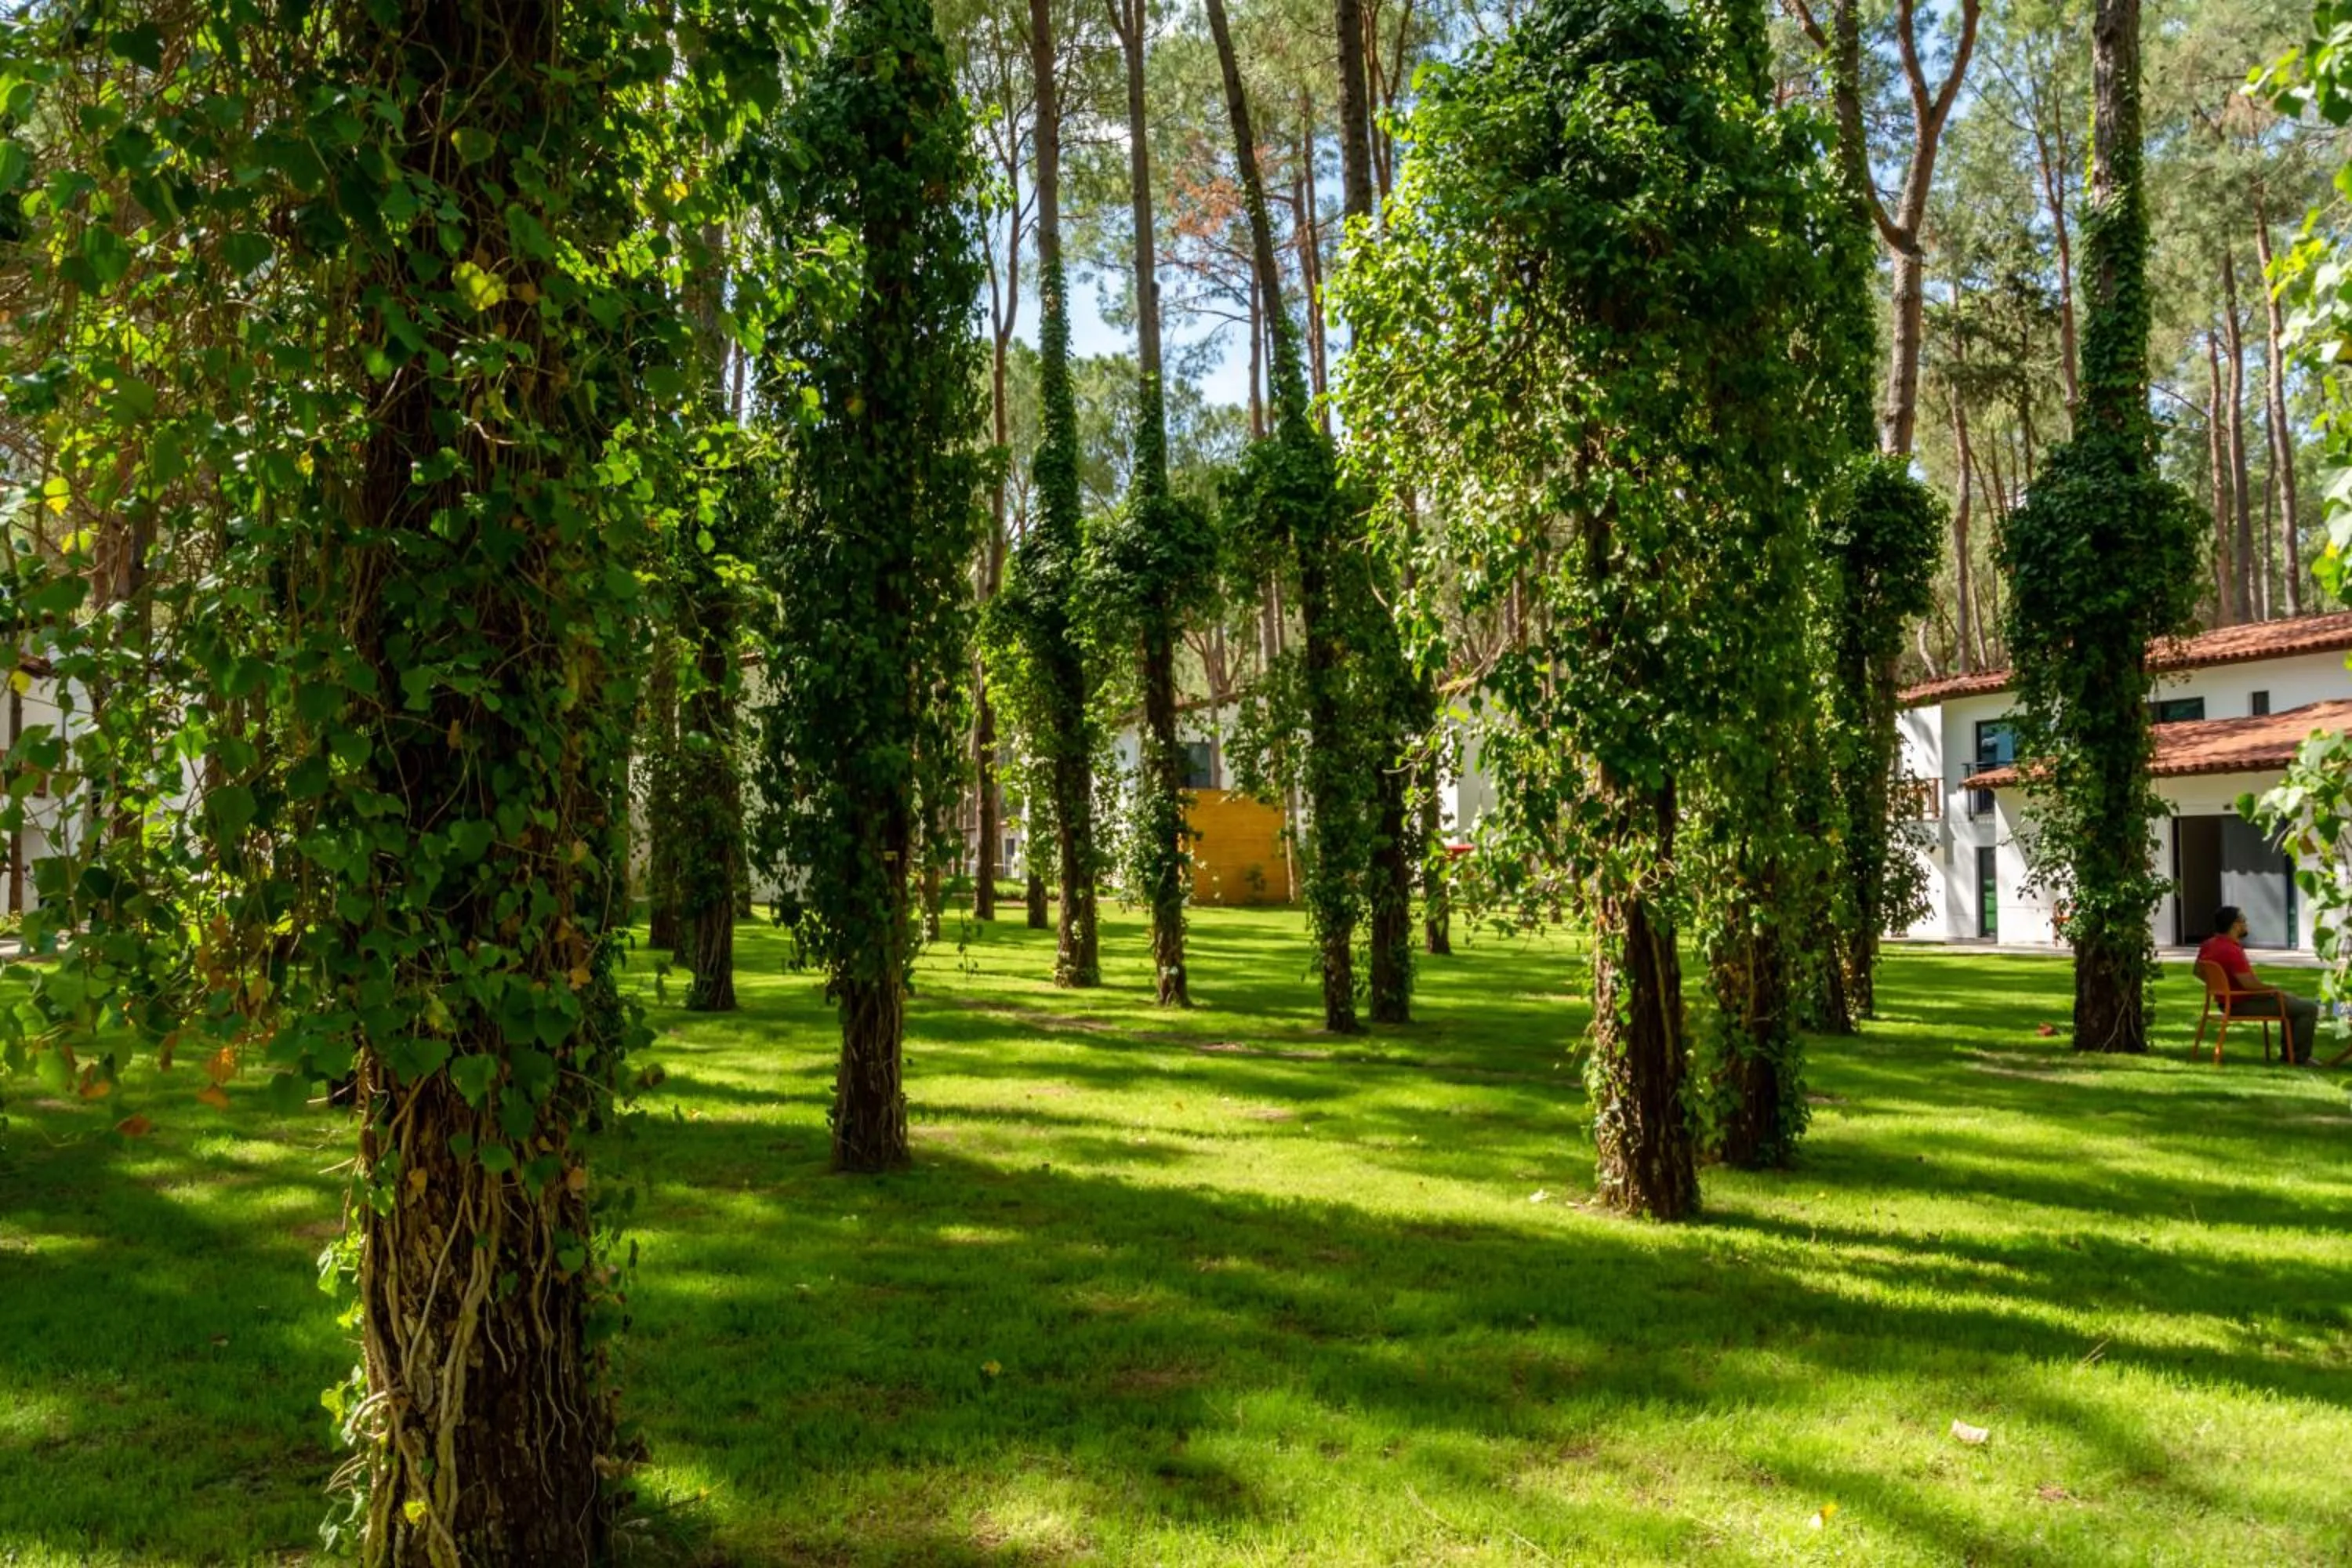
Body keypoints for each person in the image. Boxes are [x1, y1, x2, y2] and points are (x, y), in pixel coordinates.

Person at [2196, 905, 2321, 1065]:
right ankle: (2299, 1058)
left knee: (2292, 1005)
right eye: (2244, 921)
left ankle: (2290, 1055)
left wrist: (2220, 986)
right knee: (2308, 1008)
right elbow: (2250, 985)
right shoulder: (2231, 951)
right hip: (2241, 1004)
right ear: (2235, 925)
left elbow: (2197, 972)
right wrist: (2275, 990)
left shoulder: (2209, 944)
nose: (2246, 924)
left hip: (2227, 1001)